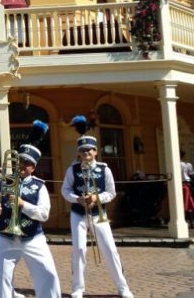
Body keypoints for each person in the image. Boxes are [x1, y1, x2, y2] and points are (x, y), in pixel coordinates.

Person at [0, 120, 61, 298]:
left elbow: (44, 214)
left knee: (49, 274)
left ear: (34, 167)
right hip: (5, 237)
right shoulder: (2, 181)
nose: (22, 165)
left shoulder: (40, 186)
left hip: (33, 238)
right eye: (20, 161)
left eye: (27, 163)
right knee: (3, 280)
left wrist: (24, 205)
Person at [62, 115, 134, 298]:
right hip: (78, 213)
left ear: (95, 151)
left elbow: (111, 192)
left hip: (98, 214)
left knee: (110, 248)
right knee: (79, 249)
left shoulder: (104, 169)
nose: (86, 152)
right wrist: (77, 199)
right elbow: (65, 190)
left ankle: (122, 286)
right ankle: (78, 287)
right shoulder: (73, 169)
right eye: (82, 150)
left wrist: (96, 198)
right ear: (79, 153)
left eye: (89, 150)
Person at [180, 151, 194, 227]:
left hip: (177, 185)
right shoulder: (187, 164)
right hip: (186, 184)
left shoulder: (173, 164)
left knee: (181, 204)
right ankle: (191, 221)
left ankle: (186, 220)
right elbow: (192, 174)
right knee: (188, 203)